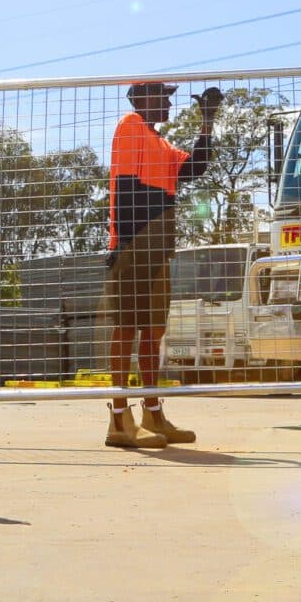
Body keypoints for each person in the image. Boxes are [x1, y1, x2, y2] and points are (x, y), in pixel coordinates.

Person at [102, 80, 218, 448]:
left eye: (168, 96)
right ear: (140, 99)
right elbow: (124, 186)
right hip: (135, 248)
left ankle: (153, 414)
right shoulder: (131, 126)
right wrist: (126, 246)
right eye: (161, 96)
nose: (168, 101)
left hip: (156, 252)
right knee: (127, 329)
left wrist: (207, 123)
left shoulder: (163, 146)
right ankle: (119, 420)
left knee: (152, 332)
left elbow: (195, 169)